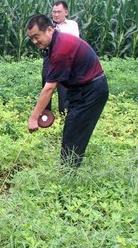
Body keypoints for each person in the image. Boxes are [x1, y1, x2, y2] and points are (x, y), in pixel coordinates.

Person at [26, 14, 108, 168]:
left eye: (37, 36)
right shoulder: (56, 43)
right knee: (72, 129)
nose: (35, 41)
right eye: (31, 38)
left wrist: (33, 117)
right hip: (80, 90)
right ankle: (68, 169)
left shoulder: (61, 49)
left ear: (50, 30)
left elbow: (50, 87)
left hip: (91, 91)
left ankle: (68, 174)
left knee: (74, 133)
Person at [46, 1, 80, 115]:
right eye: (54, 12)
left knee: (64, 87)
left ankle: (63, 113)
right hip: (50, 58)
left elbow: (75, 42)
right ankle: (46, 115)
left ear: (66, 12)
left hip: (66, 60)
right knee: (47, 85)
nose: (56, 15)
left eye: (59, 12)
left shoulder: (72, 24)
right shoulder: (48, 25)